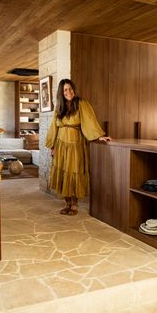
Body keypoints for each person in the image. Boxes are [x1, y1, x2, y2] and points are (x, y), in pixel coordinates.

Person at [45, 79, 111, 215]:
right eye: (65, 90)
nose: (68, 92)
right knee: (63, 173)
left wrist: (99, 136)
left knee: (75, 172)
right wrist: (52, 145)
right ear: (61, 93)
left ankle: (75, 205)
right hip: (61, 145)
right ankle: (67, 203)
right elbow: (54, 127)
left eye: (70, 89)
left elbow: (90, 121)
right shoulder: (59, 107)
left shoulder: (81, 104)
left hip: (76, 145)